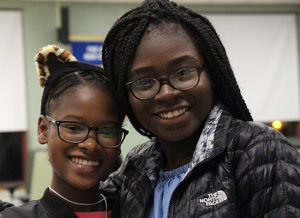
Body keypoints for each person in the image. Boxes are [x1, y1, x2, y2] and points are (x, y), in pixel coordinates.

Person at [100, 0, 300, 217]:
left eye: (184, 73)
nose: (167, 93)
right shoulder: (135, 167)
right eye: (145, 82)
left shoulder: (259, 150)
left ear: (212, 74)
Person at [0, 45, 128, 218]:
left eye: (107, 131)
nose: (90, 144)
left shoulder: (140, 209)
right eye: (73, 127)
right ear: (43, 129)